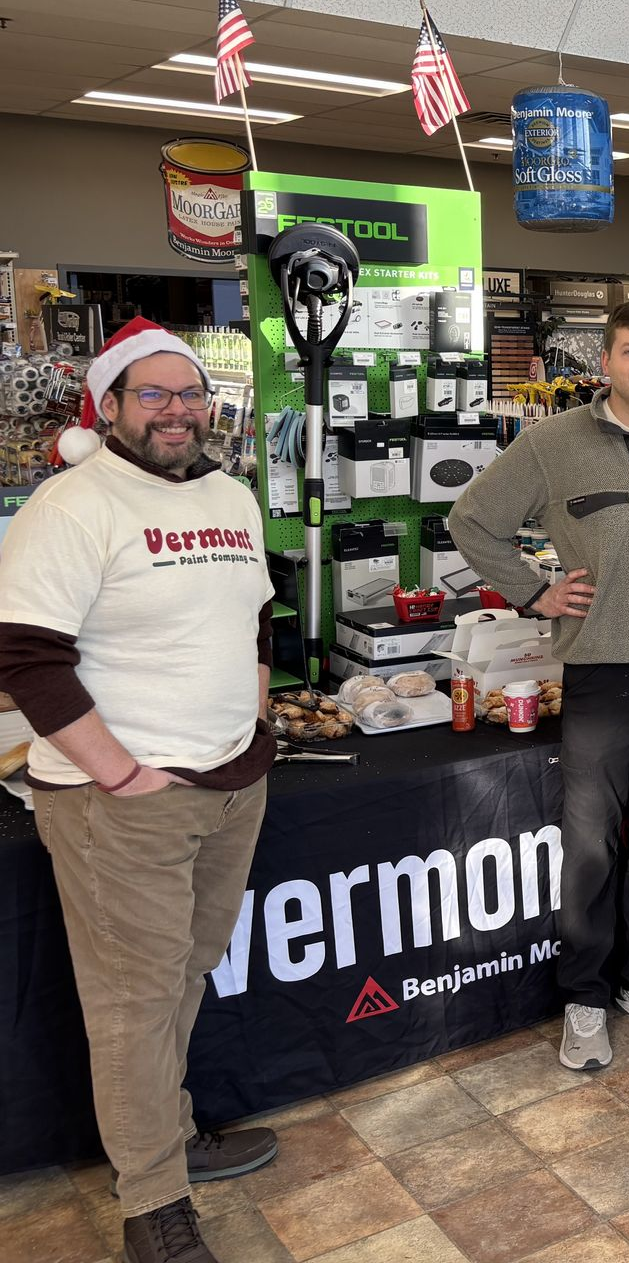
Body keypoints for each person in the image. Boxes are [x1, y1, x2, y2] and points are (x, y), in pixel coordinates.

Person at [0, 318, 278, 1263]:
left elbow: (255, 619)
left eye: (188, 392)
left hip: (230, 778)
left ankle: (165, 1132)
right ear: (109, 406)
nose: (175, 410)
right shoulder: (72, 505)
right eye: (150, 394)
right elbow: (25, 658)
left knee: (184, 975)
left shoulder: (230, 495)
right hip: (120, 800)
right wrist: (119, 770)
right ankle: (152, 1201)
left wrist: (257, 723)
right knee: (133, 1000)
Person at [449, 301, 629, 1072]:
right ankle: (583, 996)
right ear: (604, 362)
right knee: (589, 847)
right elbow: (471, 520)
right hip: (597, 670)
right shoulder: (550, 444)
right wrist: (533, 590)